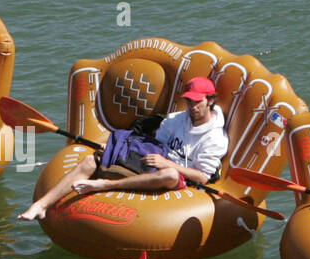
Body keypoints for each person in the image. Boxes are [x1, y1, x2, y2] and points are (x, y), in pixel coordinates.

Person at [18, 76, 228, 221]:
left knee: (170, 174)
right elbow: (154, 143)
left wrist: (167, 163)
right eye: (189, 101)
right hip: (151, 161)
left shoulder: (215, 138)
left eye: (197, 102)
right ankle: (41, 205)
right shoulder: (176, 120)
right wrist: (116, 148)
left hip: (175, 174)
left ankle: (102, 185)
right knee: (93, 160)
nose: (192, 107)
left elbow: (203, 177)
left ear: (210, 100)